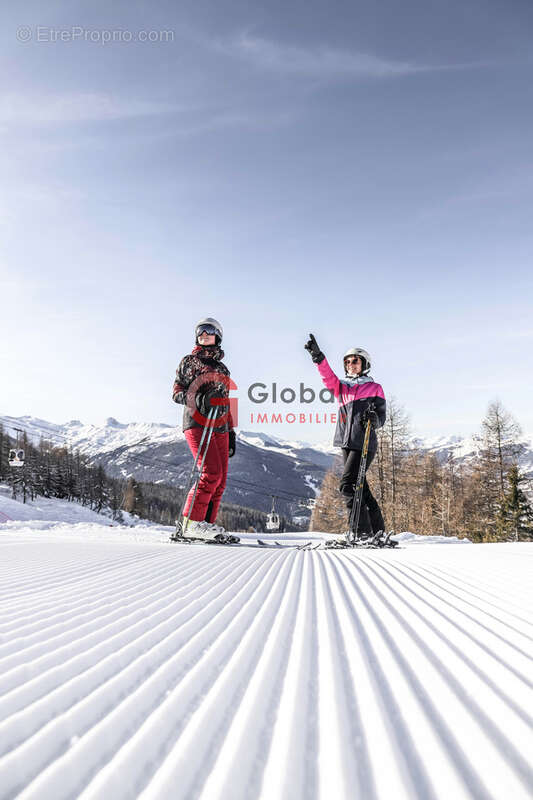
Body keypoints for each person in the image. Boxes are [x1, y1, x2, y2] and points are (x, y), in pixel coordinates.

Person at [305, 333, 386, 538]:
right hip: (347, 443)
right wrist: (318, 357)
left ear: (364, 363)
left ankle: (360, 532)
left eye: (355, 361)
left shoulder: (374, 388)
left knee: (347, 485)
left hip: (365, 442)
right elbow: (327, 376)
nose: (351, 364)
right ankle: (377, 530)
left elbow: (382, 416)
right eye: (347, 362)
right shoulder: (342, 388)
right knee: (362, 488)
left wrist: (374, 418)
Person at [172, 317, 236, 539]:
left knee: (221, 481)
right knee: (211, 473)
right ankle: (192, 523)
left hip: (220, 427)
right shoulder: (189, 362)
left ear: (218, 336)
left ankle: (206, 526)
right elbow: (176, 392)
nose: (204, 333)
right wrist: (197, 398)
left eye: (209, 330)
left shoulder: (223, 369)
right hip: (197, 421)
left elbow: (225, 401)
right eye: (200, 331)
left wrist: (231, 431)